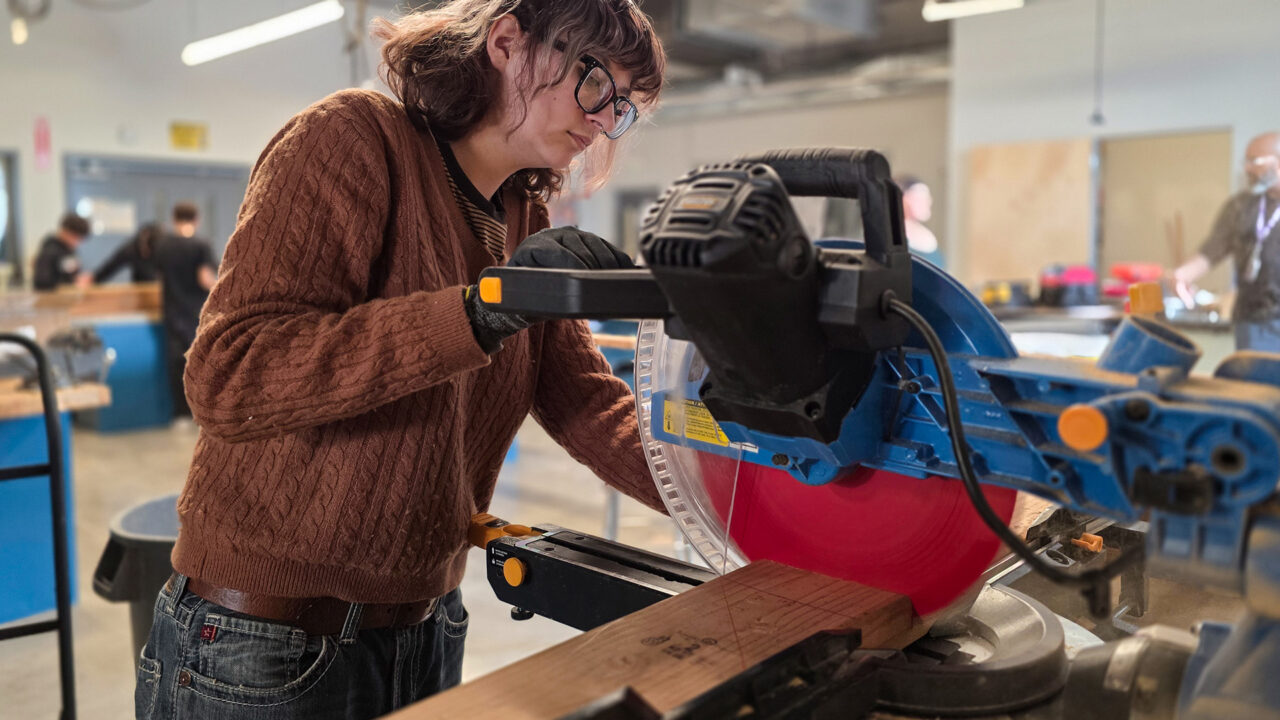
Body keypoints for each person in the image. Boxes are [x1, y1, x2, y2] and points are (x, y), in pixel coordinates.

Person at [136, 2, 665, 719]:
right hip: (265, 641)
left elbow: (588, 405)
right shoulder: (351, 139)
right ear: (507, 41)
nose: (605, 120)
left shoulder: (523, 219)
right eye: (596, 81)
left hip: (426, 629)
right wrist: (477, 313)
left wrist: (742, 488)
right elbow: (231, 373)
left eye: (624, 108)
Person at [1175, 132, 1280, 351]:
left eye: (1255, 161)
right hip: (1250, 320)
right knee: (1252, 383)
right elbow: (1214, 247)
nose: (1247, 169)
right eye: (1246, 161)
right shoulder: (1241, 206)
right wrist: (1182, 275)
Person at [151, 202, 217, 418]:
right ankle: (199, 410)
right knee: (199, 360)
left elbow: (158, 276)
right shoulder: (200, 245)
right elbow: (204, 278)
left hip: (171, 310)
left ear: (174, 219)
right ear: (196, 220)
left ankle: (179, 413)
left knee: (175, 362)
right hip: (196, 312)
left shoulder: (162, 246)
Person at [32, 211, 92, 290]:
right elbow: (42, 282)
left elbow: (70, 273)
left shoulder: (69, 249)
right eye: (75, 237)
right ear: (65, 231)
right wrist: (72, 284)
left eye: (80, 239)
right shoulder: (50, 250)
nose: (77, 242)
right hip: (54, 299)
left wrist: (78, 279)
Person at [92, 221, 161, 284]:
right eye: (144, 250)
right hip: (140, 286)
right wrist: (94, 278)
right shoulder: (131, 249)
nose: (145, 253)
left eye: (149, 251)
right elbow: (111, 266)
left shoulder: (163, 247)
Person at [897, 176, 943, 267]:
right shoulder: (895, 236)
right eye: (918, 199)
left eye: (927, 198)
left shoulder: (927, 236)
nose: (927, 202)